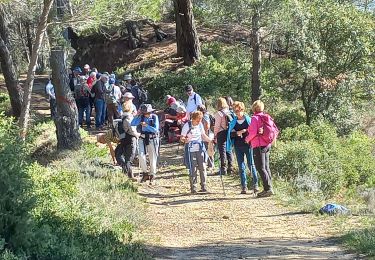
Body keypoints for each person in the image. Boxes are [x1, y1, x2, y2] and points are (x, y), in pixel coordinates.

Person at [226, 101, 258, 194]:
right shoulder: (233, 122)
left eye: (240, 110)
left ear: (243, 110)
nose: (238, 112)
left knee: (251, 165)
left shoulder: (249, 120)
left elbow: (253, 132)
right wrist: (237, 133)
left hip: (248, 146)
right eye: (236, 111)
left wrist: (245, 131)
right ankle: (244, 187)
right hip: (238, 146)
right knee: (241, 167)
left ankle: (255, 185)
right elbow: (230, 135)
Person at [245, 100, 275, 198]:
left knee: (260, 167)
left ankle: (267, 189)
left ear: (254, 108)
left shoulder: (255, 118)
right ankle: (269, 187)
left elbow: (253, 132)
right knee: (266, 167)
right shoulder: (266, 117)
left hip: (258, 145)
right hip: (267, 144)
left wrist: (247, 139)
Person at [181, 111, 213, 194]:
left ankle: (204, 186)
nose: (199, 121)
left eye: (200, 119)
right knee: (193, 168)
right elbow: (182, 138)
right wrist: (185, 140)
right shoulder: (187, 125)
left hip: (200, 148)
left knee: (202, 167)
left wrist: (210, 140)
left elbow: (203, 135)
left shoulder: (200, 125)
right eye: (198, 119)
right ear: (193, 118)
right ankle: (193, 187)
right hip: (190, 149)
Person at [131, 104, 160, 184]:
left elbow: (155, 130)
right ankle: (145, 173)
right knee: (141, 155)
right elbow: (132, 123)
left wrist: (146, 126)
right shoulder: (141, 117)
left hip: (153, 138)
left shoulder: (154, 117)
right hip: (142, 138)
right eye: (146, 113)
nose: (147, 114)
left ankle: (152, 175)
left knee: (153, 157)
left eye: (148, 112)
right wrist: (137, 115)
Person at [115, 103, 140, 181]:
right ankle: (130, 176)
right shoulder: (129, 117)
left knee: (123, 157)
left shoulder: (121, 117)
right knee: (129, 159)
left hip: (123, 139)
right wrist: (137, 135)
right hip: (131, 139)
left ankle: (126, 172)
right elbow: (132, 130)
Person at [214, 98, 234, 175]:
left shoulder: (219, 113)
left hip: (221, 133)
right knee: (229, 149)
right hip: (228, 132)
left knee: (222, 150)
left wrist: (215, 135)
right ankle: (230, 168)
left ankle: (223, 168)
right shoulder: (228, 111)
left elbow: (217, 126)